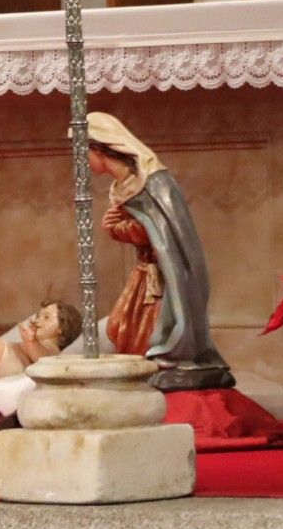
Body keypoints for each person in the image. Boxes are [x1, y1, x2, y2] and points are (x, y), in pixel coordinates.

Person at [86, 111, 235, 391]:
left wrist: (118, 229)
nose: (82, 162)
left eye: (84, 153)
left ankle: (164, 365)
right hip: (146, 274)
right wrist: (119, 228)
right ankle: (139, 376)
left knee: (152, 330)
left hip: (166, 277)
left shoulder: (155, 181)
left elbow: (163, 233)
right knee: (123, 327)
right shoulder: (122, 185)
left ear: (99, 147)